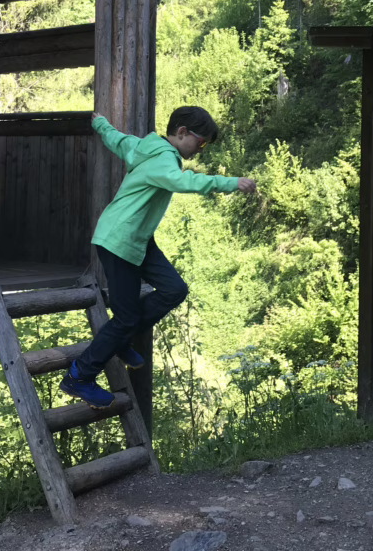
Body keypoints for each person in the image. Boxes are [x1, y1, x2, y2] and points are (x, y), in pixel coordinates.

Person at [60, 105, 257, 408]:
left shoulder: (142, 146)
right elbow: (183, 182)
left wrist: (101, 124)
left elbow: (117, 139)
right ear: (182, 133)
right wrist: (229, 182)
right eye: (200, 142)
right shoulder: (165, 160)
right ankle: (79, 375)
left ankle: (122, 338)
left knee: (174, 289)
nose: (200, 149)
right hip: (119, 240)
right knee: (125, 318)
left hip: (137, 238)